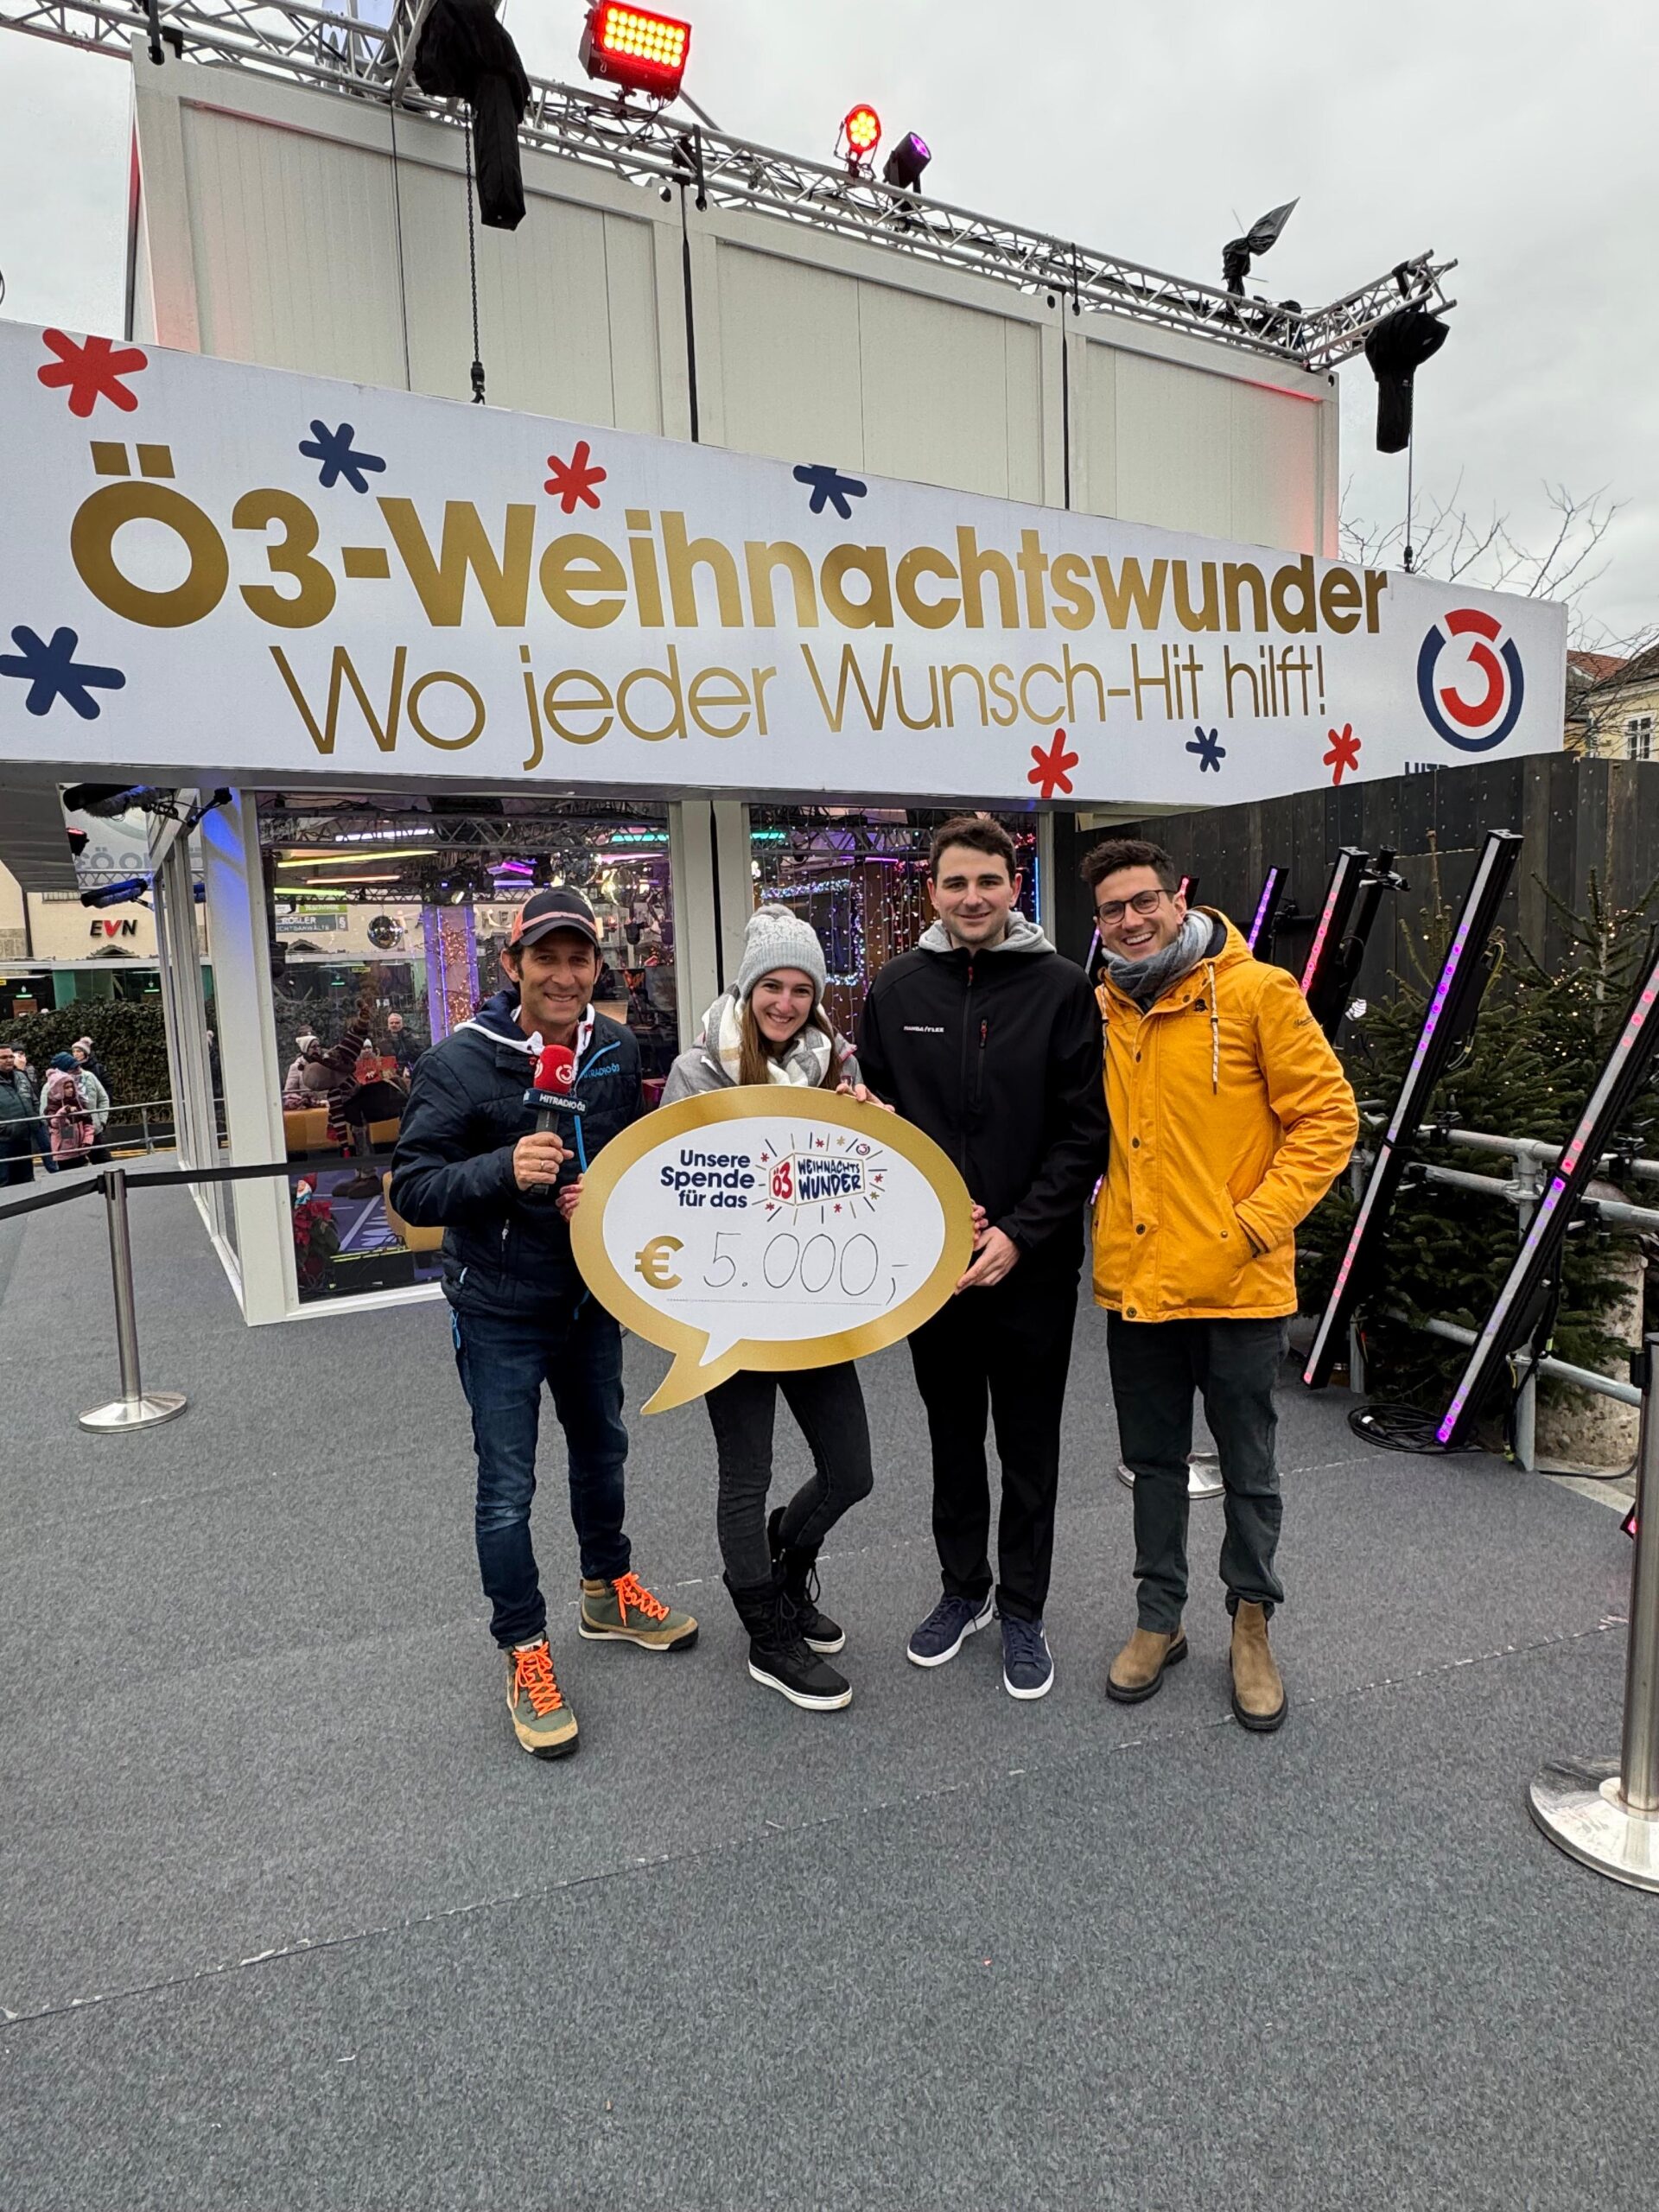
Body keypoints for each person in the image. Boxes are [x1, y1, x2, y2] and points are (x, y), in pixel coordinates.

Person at [391, 886, 696, 1762]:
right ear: (513, 965)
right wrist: (501, 1168)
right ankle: (524, 1647)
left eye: (579, 959)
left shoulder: (617, 1047)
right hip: (498, 1309)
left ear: (598, 967)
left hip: (590, 1298)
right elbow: (413, 1190)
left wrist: (608, 1191)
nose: (564, 976)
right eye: (547, 959)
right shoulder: (458, 1062)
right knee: (506, 1487)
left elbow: (631, 1155)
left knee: (604, 1451)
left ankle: (607, 1589)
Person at [1084, 836, 1357, 1732]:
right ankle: (1158, 1617)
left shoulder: (1256, 993)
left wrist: (1252, 1225)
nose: (1130, 920)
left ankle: (1251, 1623)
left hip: (1238, 1286)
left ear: (1177, 900)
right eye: (1112, 910)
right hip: (1139, 1286)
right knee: (1153, 1463)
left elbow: (1328, 1118)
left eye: (1143, 901)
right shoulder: (1104, 1009)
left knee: (1249, 1464)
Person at [855, 815, 1111, 1701]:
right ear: (932, 891)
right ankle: (963, 1590)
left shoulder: (1062, 987)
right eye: (956, 883)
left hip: (1032, 1266)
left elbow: (1084, 1133)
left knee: (1030, 1445)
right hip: (933, 1270)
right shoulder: (895, 989)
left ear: (1014, 888)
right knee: (952, 1437)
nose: (973, 898)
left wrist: (1020, 1232)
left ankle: (1023, 1609)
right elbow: (875, 1125)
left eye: (989, 882)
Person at [661, 906, 871, 1713]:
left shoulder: (834, 1069)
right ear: (747, 991)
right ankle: (766, 1634)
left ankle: (786, 1561)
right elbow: (671, 1188)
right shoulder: (697, 1072)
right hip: (731, 1305)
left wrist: (871, 1130)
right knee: (745, 1476)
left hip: (812, 1302)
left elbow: (856, 1184)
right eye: (771, 987)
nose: (785, 1003)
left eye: (801, 989)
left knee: (852, 1472)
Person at [42, 1052, 95, 1167]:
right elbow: (55, 1123)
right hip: (64, 1152)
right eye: (66, 1088)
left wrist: (88, 1141)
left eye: (72, 1087)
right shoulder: (52, 1105)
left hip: (80, 1149)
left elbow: (88, 1123)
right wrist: (64, 1111)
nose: (71, 1090)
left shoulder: (78, 1103)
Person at [0, 1046, 37, 1185]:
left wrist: (36, 1119)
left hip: (25, 1138)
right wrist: (5, 1130)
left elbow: (34, 1099)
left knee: (27, 1182)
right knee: (5, 1183)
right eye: (4, 1057)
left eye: (11, 1056)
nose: (9, 1060)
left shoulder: (20, 1076)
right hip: (3, 1142)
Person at [71, 1045, 111, 1163]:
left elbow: (104, 1097)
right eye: (74, 1051)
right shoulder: (60, 1081)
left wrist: (101, 1120)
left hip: (93, 1127)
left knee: (103, 1160)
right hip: (73, 1132)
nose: (76, 1054)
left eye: (79, 1051)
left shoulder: (91, 1074)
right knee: (76, 1165)